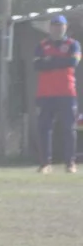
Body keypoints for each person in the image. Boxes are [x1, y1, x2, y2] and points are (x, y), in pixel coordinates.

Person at [33, 14, 80, 174]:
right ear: (50, 28)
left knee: (69, 128)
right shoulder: (42, 45)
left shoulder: (73, 44)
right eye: (54, 25)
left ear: (65, 27)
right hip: (45, 94)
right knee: (44, 128)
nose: (57, 28)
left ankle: (70, 163)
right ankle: (45, 164)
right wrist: (59, 61)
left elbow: (73, 62)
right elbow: (37, 64)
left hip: (67, 93)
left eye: (60, 26)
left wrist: (50, 61)